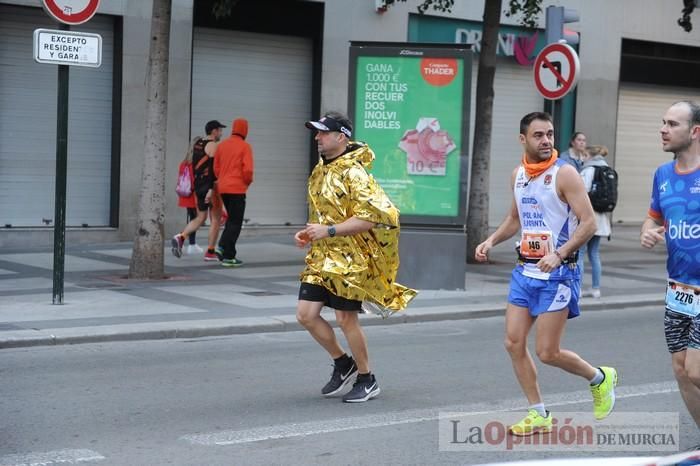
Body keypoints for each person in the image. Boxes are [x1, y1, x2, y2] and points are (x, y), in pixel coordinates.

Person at [475, 112, 617, 436]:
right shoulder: (518, 175)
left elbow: (589, 222)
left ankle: (599, 378)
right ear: (522, 139)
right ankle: (538, 413)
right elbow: (515, 218)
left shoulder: (565, 174)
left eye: (550, 134)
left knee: (547, 352)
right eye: (538, 135)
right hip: (525, 271)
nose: (546, 141)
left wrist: (559, 253)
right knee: (513, 342)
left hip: (559, 274)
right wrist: (491, 240)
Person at [295, 112, 417, 403]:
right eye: (317, 133)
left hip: (352, 259)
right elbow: (325, 214)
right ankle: (343, 363)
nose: (317, 137)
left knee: (345, 318)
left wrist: (331, 230)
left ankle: (367, 378)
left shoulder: (355, 173)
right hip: (321, 257)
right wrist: (309, 233)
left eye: (323, 133)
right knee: (306, 315)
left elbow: (378, 217)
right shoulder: (320, 170)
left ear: (341, 137)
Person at [641, 100, 700, 431]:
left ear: (695, 132)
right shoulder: (662, 175)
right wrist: (648, 234)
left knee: (696, 369)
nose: (663, 129)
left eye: (672, 124)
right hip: (679, 289)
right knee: (680, 370)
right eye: (663, 122)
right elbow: (651, 220)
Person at [171, 120, 225, 260]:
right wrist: (211, 189)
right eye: (220, 130)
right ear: (214, 131)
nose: (221, 133)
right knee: (216, 219)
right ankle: (210, 252)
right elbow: (213, 170)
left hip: (198, 186)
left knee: (200, 217)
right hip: (210, 187)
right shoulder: (212, 145)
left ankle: (181, 237)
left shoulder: (198, 143)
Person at [214, 118, 254, 267]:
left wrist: (223, 179)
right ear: (245, 130)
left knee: (231, 220)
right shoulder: (245, 147)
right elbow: (248, 170)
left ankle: (225, 250)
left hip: (223, 188)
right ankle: (226, 251)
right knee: (236, 222)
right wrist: (246, 183)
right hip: (237, 188)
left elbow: (216, 168)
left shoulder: (222, 145)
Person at [580, 145, 612, 298]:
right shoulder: (606, 170)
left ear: (588, 155)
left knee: (579, 253)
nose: (582, 158)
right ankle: (596, 288)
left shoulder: (588, 170)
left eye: (584, 155)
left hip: (588, 217)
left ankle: (577, 289)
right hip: (601, 219)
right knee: (594, 253)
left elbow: (582, 194)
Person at [176, 136, 204, 255]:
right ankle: (180, 237)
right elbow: (195, 181)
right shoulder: (196, 163)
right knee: (198, 219)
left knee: (193, 218)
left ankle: (192, 244)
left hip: (186, 195)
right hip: (194, 195)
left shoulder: (184, 163)